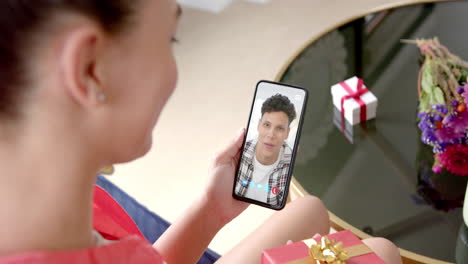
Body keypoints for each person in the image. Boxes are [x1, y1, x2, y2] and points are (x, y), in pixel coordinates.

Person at [0, 0, 403, 263]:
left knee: (309, 209)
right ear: (91, 68)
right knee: (382, 252)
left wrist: (210, 212)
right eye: (169, 37)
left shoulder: (57, 201)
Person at [235, 94, 296, 206]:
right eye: (267, 125)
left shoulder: (293, 165)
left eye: (279, 128)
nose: (271, 135)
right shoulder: (238, 153)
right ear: (259, 125)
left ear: (287, 133)